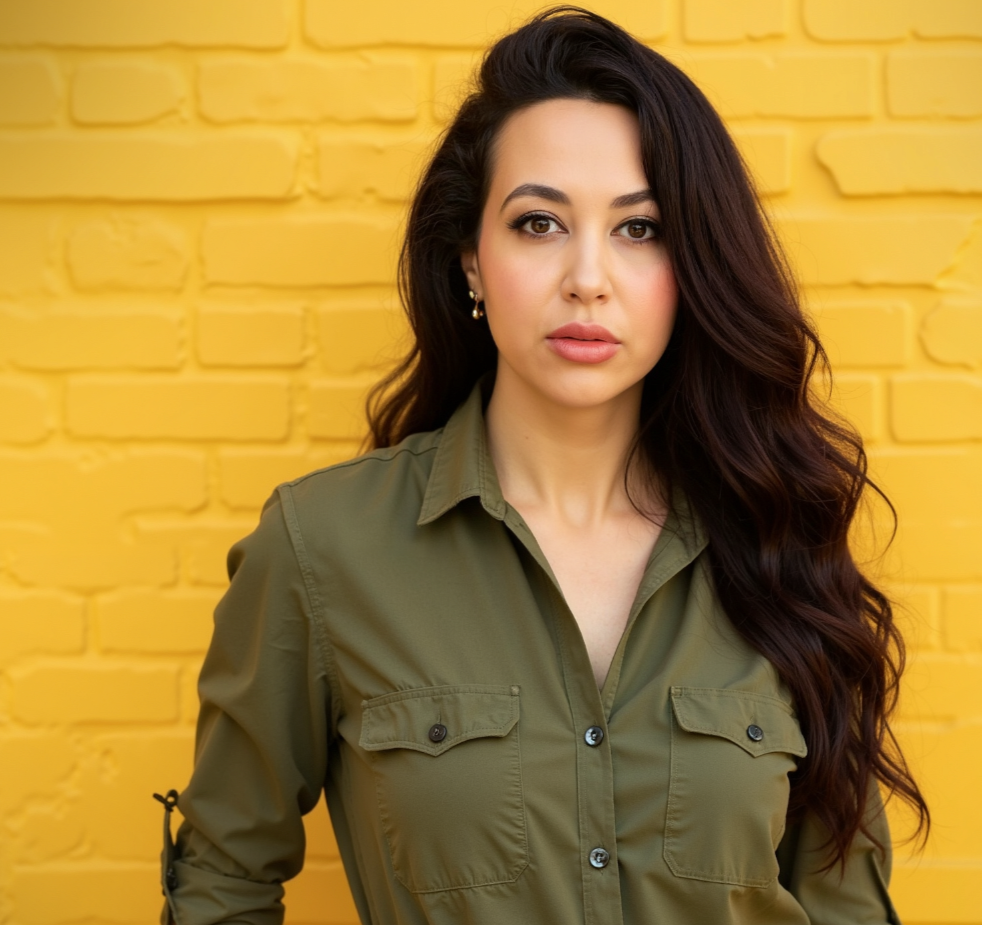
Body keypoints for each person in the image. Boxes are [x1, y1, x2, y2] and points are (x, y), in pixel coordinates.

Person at [158, 7, 927, 923]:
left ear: (692, 267)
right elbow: (223, 880)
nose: (588, 278)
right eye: (537, 224)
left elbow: (846, 901)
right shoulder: (323, 550)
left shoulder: (774, 539)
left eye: (639, 230)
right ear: (471, 262)